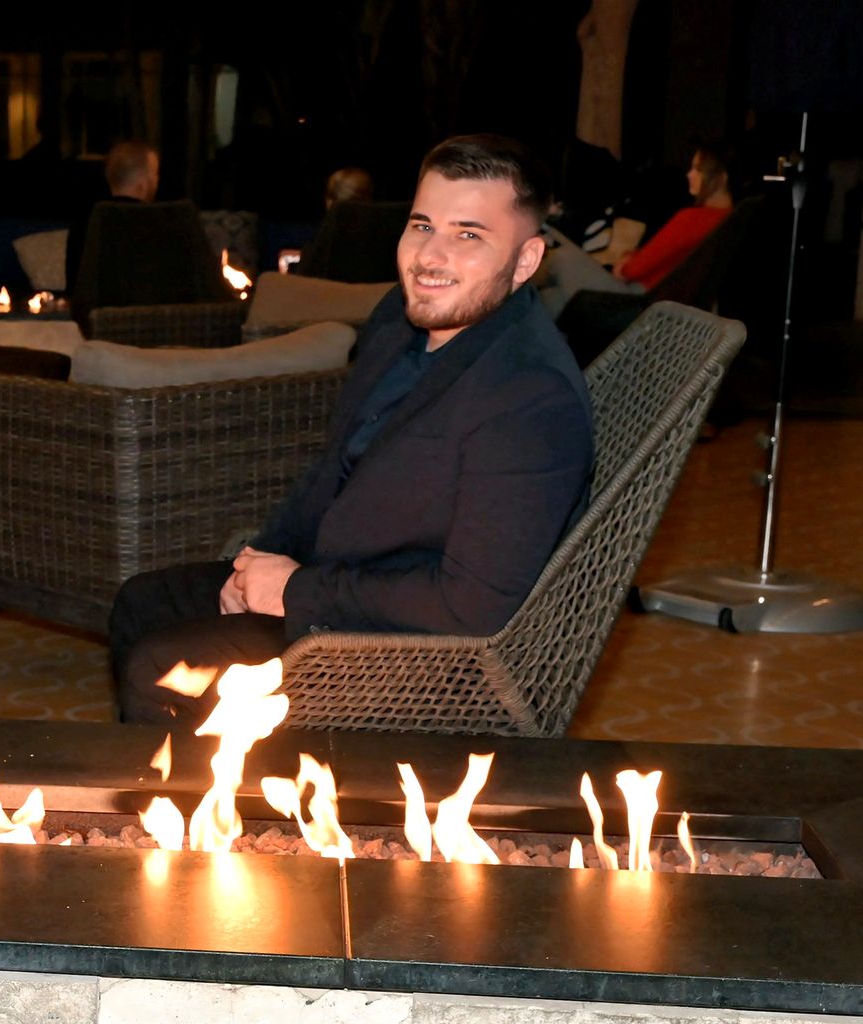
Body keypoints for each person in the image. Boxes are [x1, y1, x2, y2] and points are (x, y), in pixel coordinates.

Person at [111, 133, 593, 727]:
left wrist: (295, 591)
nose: (430, 257)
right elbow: (332, 469)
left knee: (159, 667)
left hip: (416, 652)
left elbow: (475, 605)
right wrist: (257, 561)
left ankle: (205, 790)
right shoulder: (399, 321)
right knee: (141, 603)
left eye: (468, 235)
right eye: (422, 226)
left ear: (525, 261)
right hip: (338, 581)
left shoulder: (529, 395)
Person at [534, 141, 735, 317]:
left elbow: (635, 268)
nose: (689, 174)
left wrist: (625, 265)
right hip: (663, 301)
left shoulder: (694, 219)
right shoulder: (729, 219)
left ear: (720, 178)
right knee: (549, 300)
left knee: (562, 257)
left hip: (637, 300)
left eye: (697, 169)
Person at [65, 139, 160, 294]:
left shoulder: (86, 222)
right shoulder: (157, 223)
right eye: (155, 174)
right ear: (143, 183)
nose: (157, 180)